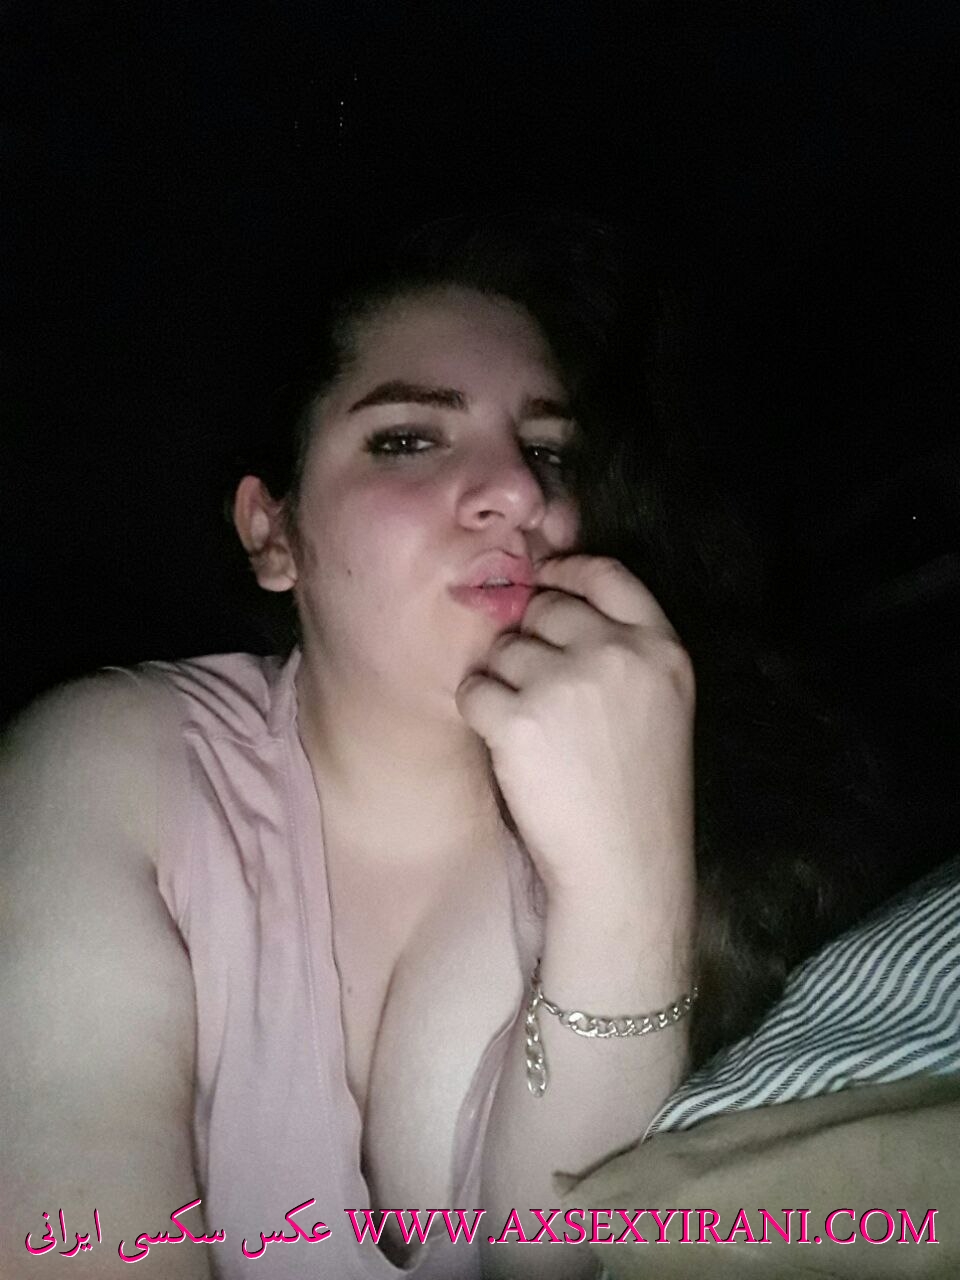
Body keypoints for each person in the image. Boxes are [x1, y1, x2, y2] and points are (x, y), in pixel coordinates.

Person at [0, 218, 888, 1280]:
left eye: (549, 453)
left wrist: (628, 876)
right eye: (409, 439)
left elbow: (562, 1250)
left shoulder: (687, 811)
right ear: (273, 534)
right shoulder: (117, 767)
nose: (519, 491)